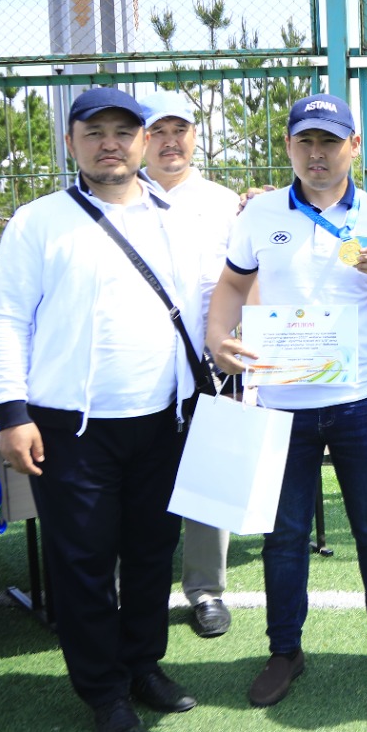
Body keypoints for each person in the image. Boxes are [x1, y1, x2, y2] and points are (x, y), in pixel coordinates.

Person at [0, 87, 213, 732]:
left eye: (123, 131)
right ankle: (104, 692)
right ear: (71, 142)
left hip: (164, 420)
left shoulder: (175, 218)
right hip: (71, 428)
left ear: (144, 141)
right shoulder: (38, 222)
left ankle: (143, 666)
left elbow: (206, 301)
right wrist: (12, 413)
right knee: (84, 563)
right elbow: (5, 319)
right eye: (94, 132)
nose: (109, 143)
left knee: (151, 553)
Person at [206, 94, 367, 706]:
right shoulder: (261, 211)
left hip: (360, 399)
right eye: (305, 141)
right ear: (289, 146)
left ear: (354, 146)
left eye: (329, 141)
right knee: (284, 533)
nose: (316, 153)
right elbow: (232, 283)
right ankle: (285, 650)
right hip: (281, 399)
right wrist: (217, 336)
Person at [138, 89, 245, 637]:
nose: (169, 142)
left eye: (179, 130)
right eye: (157, 132)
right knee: (141, 485)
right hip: (142, 366)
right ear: (141, 140)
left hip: (211, 364)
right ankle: (134, 590)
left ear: (195, 137)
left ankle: (206, 591)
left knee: (210, 478)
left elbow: (245, 278)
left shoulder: (226, 203)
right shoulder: (119, 200)